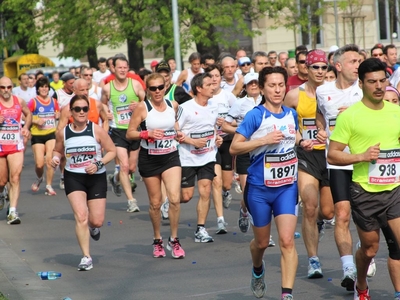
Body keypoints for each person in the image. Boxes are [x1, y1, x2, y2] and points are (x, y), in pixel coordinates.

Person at [230, 66, 313, 300]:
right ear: (263, 89)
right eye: (272, 86)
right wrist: (263, 140)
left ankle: (286, 294)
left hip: (286, 187)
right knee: (262, 243)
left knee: (287, 241)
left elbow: (293, 133)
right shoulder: (256, 115)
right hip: (259, 190)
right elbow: (234, 147)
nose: (277, 90)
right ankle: (258, 269)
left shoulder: (290, 113)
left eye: (280, 85)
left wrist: (302, 142)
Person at [327, 58, 400, 300]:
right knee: (370, 248)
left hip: (395, 190)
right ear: (361, 84)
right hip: (365, 192)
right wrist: (361, 156)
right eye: (372, 82)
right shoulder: (351, 116)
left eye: (382, 80)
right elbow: (333, 154)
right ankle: (361, 283)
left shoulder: (396, 111)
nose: (379, 86)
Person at [51, 94, 116, 271]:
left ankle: (93, 228)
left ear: (89, 110)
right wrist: (55, 159)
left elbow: (112, 151)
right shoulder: (63, 132)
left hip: (96, 177)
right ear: (71, 111)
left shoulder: (96, 130)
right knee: (81, 216)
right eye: (77, 109)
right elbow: (57, 151)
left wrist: (99, 163)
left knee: (96, 221)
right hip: (74, 177)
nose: (81, 112)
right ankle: (86, 257)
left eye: (85, 109)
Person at [284, 49, 334, 279]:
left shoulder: (336, 93)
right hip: (307, 154)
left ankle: (320, 224)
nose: (321, 71)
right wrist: (300, 139)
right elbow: (286, 123)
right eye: (316, 67)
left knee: (328, 210)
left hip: (332, 155)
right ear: (307, 69)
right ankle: (313, 259)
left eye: (324, 67)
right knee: (310, 206)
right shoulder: (295, 95)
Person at [126, 73, 185, 258]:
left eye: (160, 87)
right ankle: (157, 239)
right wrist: (146, 134)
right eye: (153, 88)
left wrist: (178, 134)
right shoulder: (143, 108)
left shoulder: (172, 105)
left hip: (170, 157)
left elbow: (174, 125)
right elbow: (130, 133)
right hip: (150, 158)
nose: (157, 91)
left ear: (165, 87)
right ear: (148, 90)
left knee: (175, 199)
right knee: (155, 203)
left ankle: (174, 239)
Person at [178, 73, 223, 243]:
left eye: (214, 84)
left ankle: (200, 229)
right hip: (187, 158)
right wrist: (192, 141)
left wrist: (216, 137)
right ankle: (170, 200)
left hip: (207, 156)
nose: (213, 87)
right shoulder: (186, 108)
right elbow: (175, 132)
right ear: (198, 88)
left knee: (206, 190)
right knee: (186, 196)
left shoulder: (213, 106)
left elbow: (210, 128)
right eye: (209, 85)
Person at [101, 56, 145, 213]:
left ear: (128, 68)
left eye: (125, 67)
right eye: (119, 67)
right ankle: (131, 201)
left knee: (132, 167)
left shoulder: (135, 84)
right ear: (113, 68)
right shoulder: (108, 88)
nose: (122, 70)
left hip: (134, 130)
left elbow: (146, 101)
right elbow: (102, 103)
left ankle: (115, 178)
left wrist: (139, 105)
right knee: (124, 166)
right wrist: (106, 112)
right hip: (118, 131)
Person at [222, 70, 262, 233]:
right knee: (248, 192)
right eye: (250, 83)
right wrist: (243, 129)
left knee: (261, 193)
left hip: (262, 150)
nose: (253, 86)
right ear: (245, 86)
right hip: (245, 150)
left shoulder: (266, 101)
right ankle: (244, 211)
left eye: (256, 83)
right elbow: (225, 125)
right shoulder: (239, 103)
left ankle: (262, 230)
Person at [205, 64, 236, 233]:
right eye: (211, 76)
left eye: (217, 76)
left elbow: (240, 118)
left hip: (227, 142)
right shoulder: (204, 98)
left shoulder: (228, 97)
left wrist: (227, 124)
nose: (214, 79)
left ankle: (226, 192)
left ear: (221, 78)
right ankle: (220, 219)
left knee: (226, 184)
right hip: (211, 144)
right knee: (215, 182)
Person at [0, 77, 32, 224]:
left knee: (15, 178)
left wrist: (26, 127)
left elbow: (29, 114)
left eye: (8, 87)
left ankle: (13, 211)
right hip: (0, 146)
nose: (6, 90)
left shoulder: (19, 101)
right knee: (2, 181)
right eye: (2, 87)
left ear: (12, 87)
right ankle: (2, 192)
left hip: (15, 145)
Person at [28, 77, 59, 196]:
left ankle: (49, 185)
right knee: (39, 163)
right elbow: (25, 117)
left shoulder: (53, 101)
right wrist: (35, 120)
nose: (44, 89)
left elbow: (58, 113)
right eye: (42, 87)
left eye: (46, 87)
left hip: (51, 133)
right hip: (37, 135)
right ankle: (40, 178)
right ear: (38, 89)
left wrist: (58, 115)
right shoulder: (33, 102)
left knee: (50, 160)